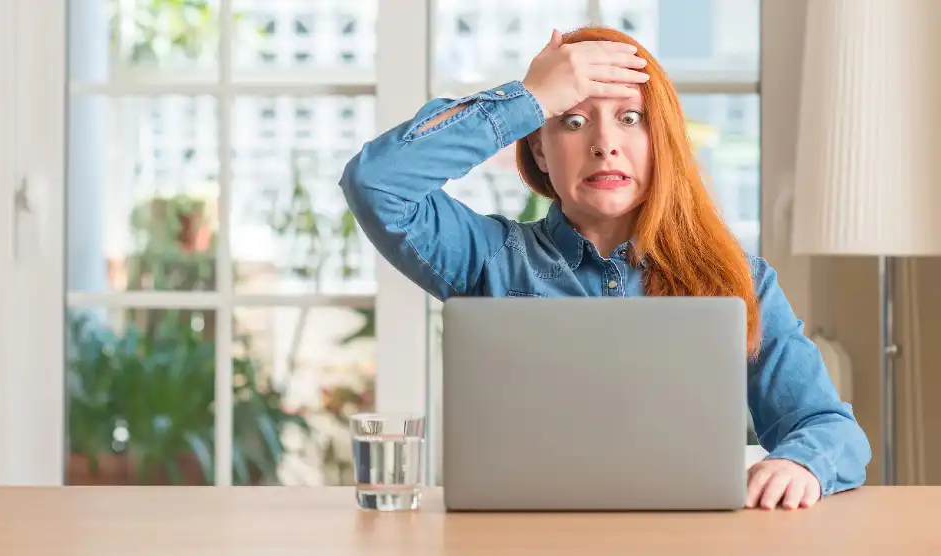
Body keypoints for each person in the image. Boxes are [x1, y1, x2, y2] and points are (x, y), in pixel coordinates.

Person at [338, 25, 871, 510]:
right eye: (571, 120)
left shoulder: (742, 280)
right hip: (516, 539)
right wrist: (529, 98)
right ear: (541, 150)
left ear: (658, 142)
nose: (604, 144)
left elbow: (827, 426)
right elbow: (376, 182)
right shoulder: (490, 259)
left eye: (630, 119)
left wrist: (799, 463)